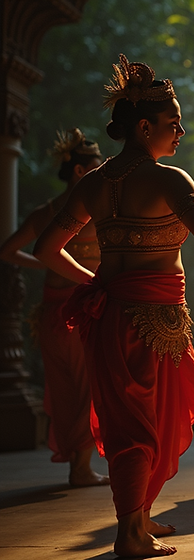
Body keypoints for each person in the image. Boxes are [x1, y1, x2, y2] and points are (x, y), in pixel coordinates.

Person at [34, 54, 194, 557]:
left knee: (128, 419)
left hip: (110, 316)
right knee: (151, 422)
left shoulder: (94, 183)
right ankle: (129, 534)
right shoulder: (170, 180)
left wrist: (96, 283)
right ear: (145, 125)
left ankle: (141, 518)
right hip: (160, 320)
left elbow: (46, 250)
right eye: (174, 124)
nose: (181, 133)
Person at [0, 129, 106, 487]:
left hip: (50, 313)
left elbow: (7, 251)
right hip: (83, 310)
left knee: (63, 387)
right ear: (80, 172)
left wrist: (47, 263)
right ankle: (81, 466)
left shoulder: (44, 213)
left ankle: (78, 465)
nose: (103, 169)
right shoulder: (92, 209)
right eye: (96, 166)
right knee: (89, 385)